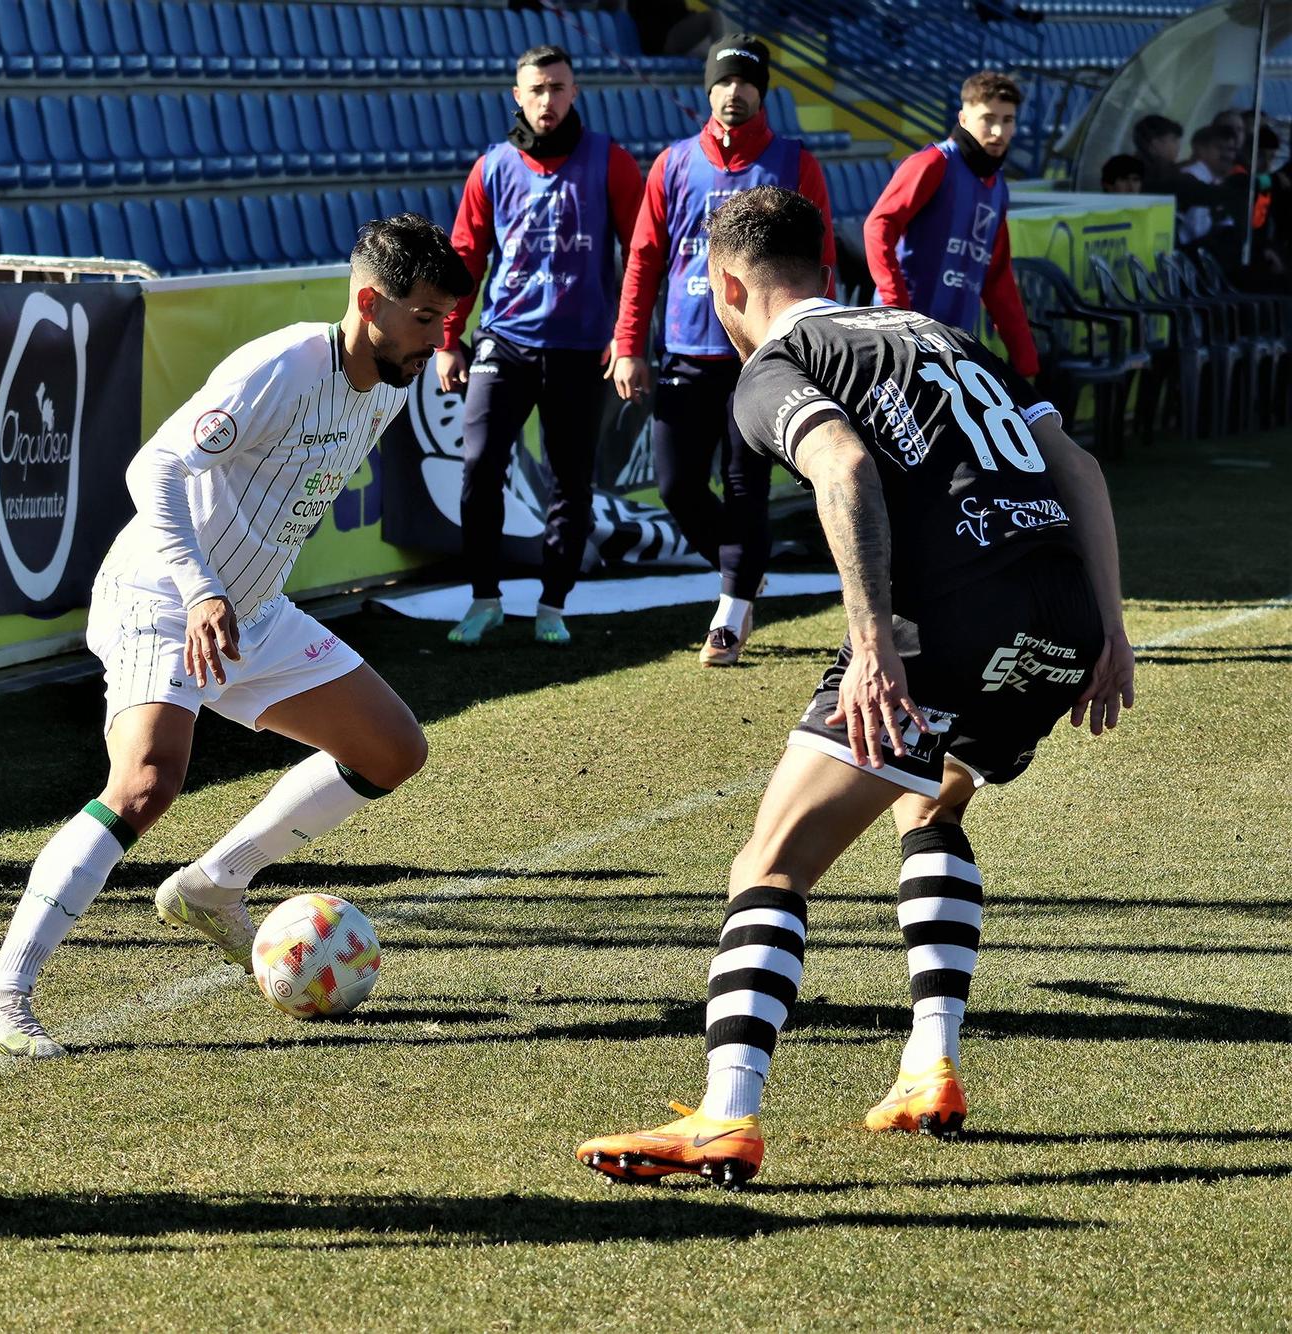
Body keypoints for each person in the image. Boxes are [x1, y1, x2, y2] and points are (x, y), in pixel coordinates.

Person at [575, 185, 1133, 1188]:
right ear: (825, 270)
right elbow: (1076, 466)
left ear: (726, 282)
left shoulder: (777, 365)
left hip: (946, 621)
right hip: (1058, 617)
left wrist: (871, 640)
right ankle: (929, 1064)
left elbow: (837, 460)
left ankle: (725, 1113)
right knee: (927, 798)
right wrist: (1111, 629)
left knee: (771, 857)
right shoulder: (932, 330)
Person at [0, 214, 473, 1058]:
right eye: (425, 317)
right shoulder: (282, 367)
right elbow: (151, 468)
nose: (439, 335)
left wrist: (229, 599)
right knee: (147, 785)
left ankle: (213, 885)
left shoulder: (394, 380)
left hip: (248, 611)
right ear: (369, 302)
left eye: (448, 319)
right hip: (165, 595)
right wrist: (199, 593)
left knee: (392, 751)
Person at [610, 35, 835, 668]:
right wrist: (629, 343)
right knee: (677, 484)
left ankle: (730, 613)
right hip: (685, 348)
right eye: (723, 82)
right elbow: (645, 259)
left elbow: (820, 264)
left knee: (745, 486)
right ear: (707, 89)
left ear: (763, 90)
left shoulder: (795, 162)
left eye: (746, 82)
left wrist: (820, 341)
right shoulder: (673, 163)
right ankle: (744, 568)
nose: (734, 93)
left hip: (763, 354)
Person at [439, 44, 643, 647]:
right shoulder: (493, 167)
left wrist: (626, 337)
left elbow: (641, 254)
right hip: (504, 341)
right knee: (478, 468)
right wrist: (450, 339)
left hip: (580, 350)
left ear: (574, 92)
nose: (547, 100)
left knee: (570, 482)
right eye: (536, 89)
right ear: (517, 96)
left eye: (557, 87)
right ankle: (485, 599)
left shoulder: (612, 161)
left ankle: (553, 603)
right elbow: (465, 258)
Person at [863, 71, 1039, 382]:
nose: (999, 130)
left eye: (1008, 120)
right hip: (903, 340)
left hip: (955, 347)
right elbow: (879, 226)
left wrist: (1025, 360)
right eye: (988, 118)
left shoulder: (998, 186)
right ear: (964, 117)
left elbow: (996, 277)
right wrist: (895, 307)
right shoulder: (933, 163)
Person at [1177, 125, 1239, 246]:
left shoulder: (1217, 181)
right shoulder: (1191, 178)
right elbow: (1197, 229)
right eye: (1220, 148)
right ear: (1201, 149)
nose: (1227, 155)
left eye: (1231, 150)